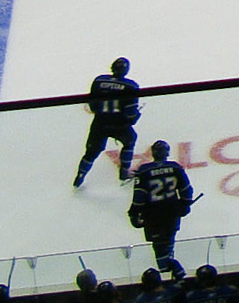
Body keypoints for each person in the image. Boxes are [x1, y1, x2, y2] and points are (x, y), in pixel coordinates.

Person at [128, 141, 197, 274]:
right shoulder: (175, 168)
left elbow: (139, 196)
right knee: (169, 240)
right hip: (172, 212)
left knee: (159, 245)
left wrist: (134, 213)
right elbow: (186, 189)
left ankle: (168, 270)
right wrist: (185, 204)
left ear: (153, 153)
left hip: (152, 216)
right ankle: (173, 269)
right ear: (167, 153)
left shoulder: (144, 171)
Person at [75, 58, 140, 187]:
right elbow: (130, 112)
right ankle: (124, 172)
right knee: (130, 140)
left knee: (91, 152)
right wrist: (134, 117)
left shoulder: (99, 81)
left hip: (100, 123)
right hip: (119, 124)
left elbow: (92, 104)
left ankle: (80, 175)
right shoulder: (131, 86)